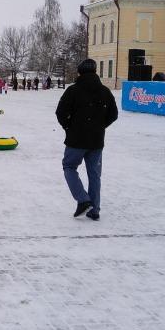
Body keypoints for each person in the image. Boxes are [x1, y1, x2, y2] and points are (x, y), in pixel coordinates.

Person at [56, 58, 118, 221]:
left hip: (76, 140)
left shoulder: (73, 91)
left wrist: (69, 127)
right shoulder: (105, 91)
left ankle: (83, 200)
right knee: (94, 174)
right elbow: (113, 114)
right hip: (96, 141)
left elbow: (60, 112)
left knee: (69, 167)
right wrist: (100, 126)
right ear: (95, 71)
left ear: (79, 72)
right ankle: (94, 209)